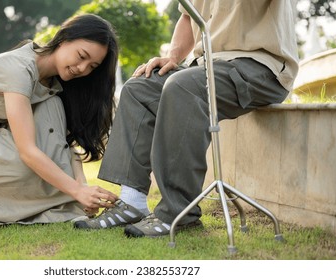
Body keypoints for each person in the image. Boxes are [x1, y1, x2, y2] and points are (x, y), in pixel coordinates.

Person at [74, 0, 299, 237]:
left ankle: (178, 213)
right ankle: (132, 203)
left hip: (261, 67)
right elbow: (187, 16)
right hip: (206, 65)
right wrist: (173, 56)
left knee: (183, 86)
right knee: (137, 88)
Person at [0, 14, 119, 228]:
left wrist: (82, 186)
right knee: (33, 166)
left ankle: (68, 200)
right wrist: (76, 191)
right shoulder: (18, 70)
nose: (82, 69)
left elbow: (65, 144)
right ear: (64, 38)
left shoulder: (52, 83)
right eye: (81, 56)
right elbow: (28, 151)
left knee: (51, 120)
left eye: (92, 66)